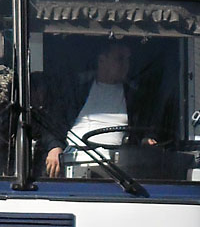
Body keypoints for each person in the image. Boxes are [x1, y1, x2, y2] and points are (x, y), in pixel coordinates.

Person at [43, 39, 137, 177]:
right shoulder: (76, 89)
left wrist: (146, 139)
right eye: (120, 59)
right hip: (71, 164)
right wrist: (54, 147)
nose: (125, 65)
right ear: (102, 60)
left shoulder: (135, 96)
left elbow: (142, 131)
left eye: (128, 60)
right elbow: (54, 123)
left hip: (119, 172)